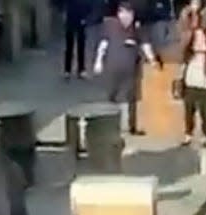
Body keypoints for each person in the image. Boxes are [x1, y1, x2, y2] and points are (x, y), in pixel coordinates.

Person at [93, 2, 159, 135]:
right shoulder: (111, 26)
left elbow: (145, 44)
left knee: (131, 98)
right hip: (113, 67)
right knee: (110, 97)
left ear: (133, 15)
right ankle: (109, 125)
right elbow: (103, 43)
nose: (125, 17)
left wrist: (152, 60)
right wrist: (98, 61)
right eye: (122, 13)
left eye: (128, 14)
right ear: (118, 14)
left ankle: (131, 127)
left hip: (131, 70)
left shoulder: (137, 28)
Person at [179, 0, 206, 145]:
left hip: (203, 70)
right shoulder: (186, 16)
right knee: (188, 105)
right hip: (192, 67)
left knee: (204, 107)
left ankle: (204, 135)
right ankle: (188, 133)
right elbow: (184, 40)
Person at [64, 0, 93, 79]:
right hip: (71, 19)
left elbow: (89, 5)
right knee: (70, 45)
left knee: (80, 45)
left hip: (79, 19)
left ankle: (79, 69)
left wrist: (86, 16)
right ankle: (69, 70)